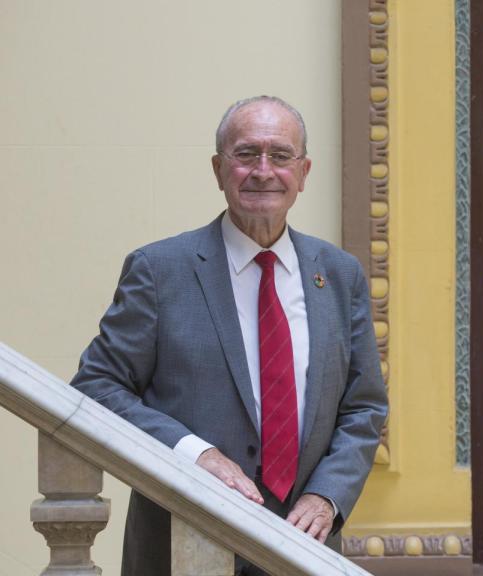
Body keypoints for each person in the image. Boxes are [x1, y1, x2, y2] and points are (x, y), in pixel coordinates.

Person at [70, 96, 388, 575]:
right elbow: (96, 387)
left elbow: (363, 406)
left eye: (280, 156)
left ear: (303, 172)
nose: (263, 170)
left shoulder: (339, 275)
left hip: (303, 548)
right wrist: (195, 455)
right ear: (219, 169)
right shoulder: (160, 271)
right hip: (182, 538)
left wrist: (328, 496)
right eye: (246, 154)